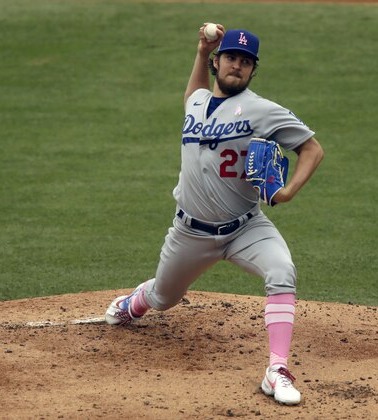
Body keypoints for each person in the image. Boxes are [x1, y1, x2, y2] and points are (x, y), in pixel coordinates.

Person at [105, 23, 324, 405]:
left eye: (245, 61)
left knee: (282, 270)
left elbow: (312, 149)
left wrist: (287, 193)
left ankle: (277, 370)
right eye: (231, 58)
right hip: (190, 233)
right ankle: (135, 302)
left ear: (253, 70)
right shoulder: (197, 101)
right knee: (162, 298)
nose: (237, 66)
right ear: (217, 63)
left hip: (246, 227)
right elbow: (192, 95)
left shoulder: (263, 110)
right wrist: (200, 51)